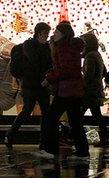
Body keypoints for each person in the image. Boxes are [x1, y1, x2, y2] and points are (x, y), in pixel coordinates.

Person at [35, 21, 89, 159]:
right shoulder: (73, 47)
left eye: (56, 32)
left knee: (51, 117)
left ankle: (50, 149)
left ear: (63, 34)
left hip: (66, 90)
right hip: (75, 89)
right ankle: (82, 151)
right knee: (75, 120)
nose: (53, 34)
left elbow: (65, 70)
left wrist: (49, 78)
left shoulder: (63, 48)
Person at [4, 22, 52, 149]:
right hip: (30, 84)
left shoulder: (47, 46)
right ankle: (10, 134)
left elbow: (49, 63)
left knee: (46, 112)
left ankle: (43, 141)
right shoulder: (29, 45)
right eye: (46, 33)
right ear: (39, 33)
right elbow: (35, 61)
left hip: (42, 85)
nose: (47, 36)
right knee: (27, 110)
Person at [80, 32, 107, 146]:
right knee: (97, 115)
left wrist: (82, 78)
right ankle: (104, 137)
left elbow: (88, 76)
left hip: (89, 91)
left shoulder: (89, 56)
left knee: (78, 115)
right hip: (96, 89)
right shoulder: (97, 54)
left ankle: (77, 137)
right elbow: (104, 71)